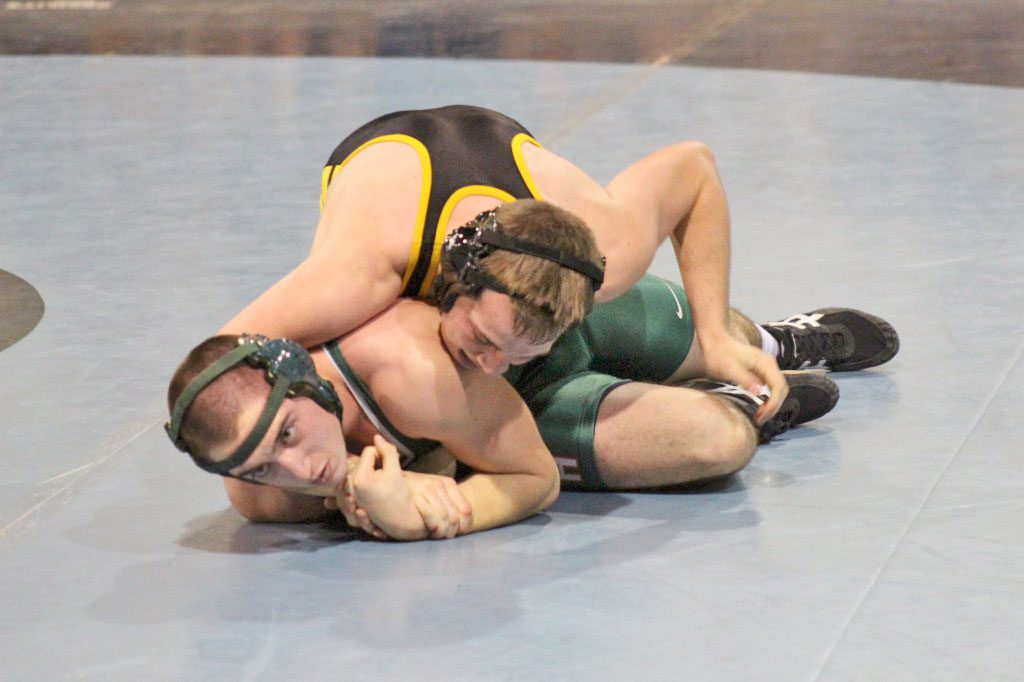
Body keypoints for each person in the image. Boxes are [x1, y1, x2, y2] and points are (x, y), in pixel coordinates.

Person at [168, 265, 899, 540]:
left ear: (300, 376)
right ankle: (735, 400)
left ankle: (774, 343)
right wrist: (412, 510)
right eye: (263, 466)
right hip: (516, 415)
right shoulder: (262, 496)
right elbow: (529, 472)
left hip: (521, 331)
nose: (299, 468)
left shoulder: (406, 369)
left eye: (289, 434)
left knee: (722, 333)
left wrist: (431, 510)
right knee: (718, 443)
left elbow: (534, 483)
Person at [218, 105, 790, 423]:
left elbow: (694, 169)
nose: (493, 367)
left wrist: (715, 336)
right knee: (384, 372)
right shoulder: (364, 272)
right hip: (398, 192)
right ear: (452, 288)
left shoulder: (605, 252)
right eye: (484, 340)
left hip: (507, 182)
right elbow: (215, 361)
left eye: (517, 356)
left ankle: (758, 345)